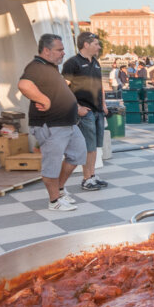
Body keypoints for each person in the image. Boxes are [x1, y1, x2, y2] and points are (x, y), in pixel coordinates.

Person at [16, 34, 87, 212]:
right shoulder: (37, 66)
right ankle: (54, 201)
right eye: (59, 49)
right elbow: (24, 85)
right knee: (52, 164)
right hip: (51, 124)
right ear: (46, 51)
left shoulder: (51, 67)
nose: (63, 53)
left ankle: (60, 190)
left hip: (68, 123)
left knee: (78, 155)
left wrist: (75, 107)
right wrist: (43, 100)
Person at [61, 31, 109, 191]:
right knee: (88, 146)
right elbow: (64, 88)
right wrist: (77, 108)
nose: (99, 46)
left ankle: (92, 175)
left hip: (97, 110)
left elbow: (99, 85)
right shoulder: (72, 63)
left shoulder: (95, 62)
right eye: (96, 44)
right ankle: (86, 178)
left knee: (95, 146)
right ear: (86, 45)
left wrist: (103, 104)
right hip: (85, 111)